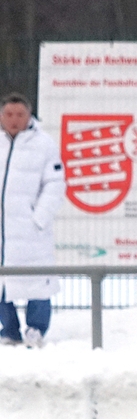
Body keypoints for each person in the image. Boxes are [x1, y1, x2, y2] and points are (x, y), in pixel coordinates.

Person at [0, 93, 66, 348]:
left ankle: (36, 328)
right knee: (2, 282)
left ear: (29, 116)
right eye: (9, 114)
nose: (14, 120)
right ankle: (9, 330)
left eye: (20, 114)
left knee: (38, 280)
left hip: (31, 231)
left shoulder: (43, 144)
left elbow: (55, 183)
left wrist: (38, 218)